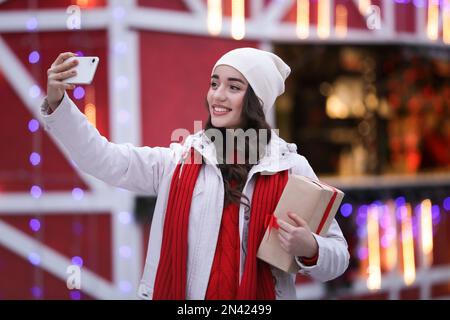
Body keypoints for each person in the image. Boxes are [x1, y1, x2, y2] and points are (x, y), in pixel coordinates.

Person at [41, 48, 349, 300]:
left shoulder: (290, 167)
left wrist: (311, 248)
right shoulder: (179, 162)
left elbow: (339, 257)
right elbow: (104, 159)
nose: (217, 95)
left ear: (257, 101)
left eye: (233, 87)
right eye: (215, 83)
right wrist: (59, 103)